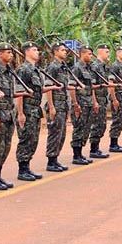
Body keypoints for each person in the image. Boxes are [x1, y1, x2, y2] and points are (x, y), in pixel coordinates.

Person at [15, 41, 62, 181]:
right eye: (34, 50)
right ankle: (22, 170)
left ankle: (27, 167)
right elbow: (19, 93)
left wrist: (53, 88)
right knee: (25, 139)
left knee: (33, 139)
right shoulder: (23, 69)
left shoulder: (35, 70)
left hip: (35, 109)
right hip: (27, 109)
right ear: (27, 52)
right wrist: (20, 113)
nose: (38, 52)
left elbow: (38, 90)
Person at [0, 43, 28, 190]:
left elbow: (9, 93)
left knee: (6, 146)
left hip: (9, 114)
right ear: (0, 54)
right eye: (8, 52)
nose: (11, 55)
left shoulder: (9, 71)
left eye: (11, 52)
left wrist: (24, 93)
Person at [44, 42, 74, 172]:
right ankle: (51, 161)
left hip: (63, 105)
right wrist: (51, 106)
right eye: (62, 50)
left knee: (61, 134)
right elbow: (49, 88)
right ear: (55, 52)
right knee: (55, 133)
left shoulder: (63, 67)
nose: (65, 52)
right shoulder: (53, 67)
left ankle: (55, 159)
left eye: (65, 50)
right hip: (55, 104)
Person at [70, 45, 98, 165]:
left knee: (86, 128)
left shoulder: (89, 69)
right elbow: (71, 87)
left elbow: (90, 87)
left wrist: (94, 101)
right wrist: (75, 104)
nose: (91, 56)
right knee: (79, 128)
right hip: (80, 102)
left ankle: (80, 154)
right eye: (89, 54)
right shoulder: (77, 68)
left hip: (88, 103)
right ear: (82, 54)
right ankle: (76, 155)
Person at [89, 44, 117, 159]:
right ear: (100, 52)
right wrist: (94, 101)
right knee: (97, 125)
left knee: (102, 124)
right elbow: (92, 86)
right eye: (106, 52)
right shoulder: (95, 66)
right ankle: (93, 149)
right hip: (97, 99)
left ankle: (96, 148)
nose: (108, 54)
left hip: (103, 99)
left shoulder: (105, 67)